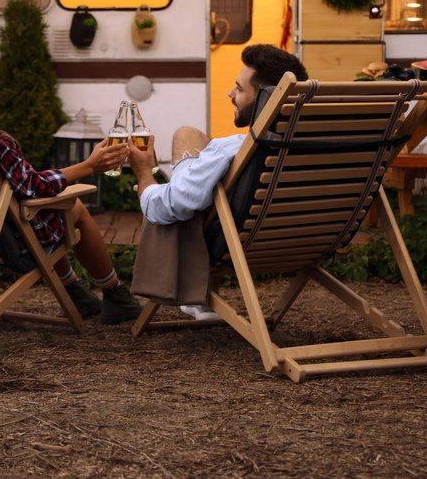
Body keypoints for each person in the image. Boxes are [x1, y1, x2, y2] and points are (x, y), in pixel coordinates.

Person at [0, 58, 142, 324]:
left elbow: (23, 185)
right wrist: (89, 166)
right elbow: (31, 187)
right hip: (3, 244)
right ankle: (115, 294)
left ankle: (74, 292)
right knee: (71, 207)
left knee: (49, 213)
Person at [126, 44, 307, 319]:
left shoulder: (230, 150)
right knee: (188, 135)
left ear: (263, 100)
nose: (230, 94)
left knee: (178, 186)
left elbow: (166, 209)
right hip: (303, 237)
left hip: (234, 239)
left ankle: (195, 294)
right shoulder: (318, 148)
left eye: (239, 88)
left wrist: (144, 174)